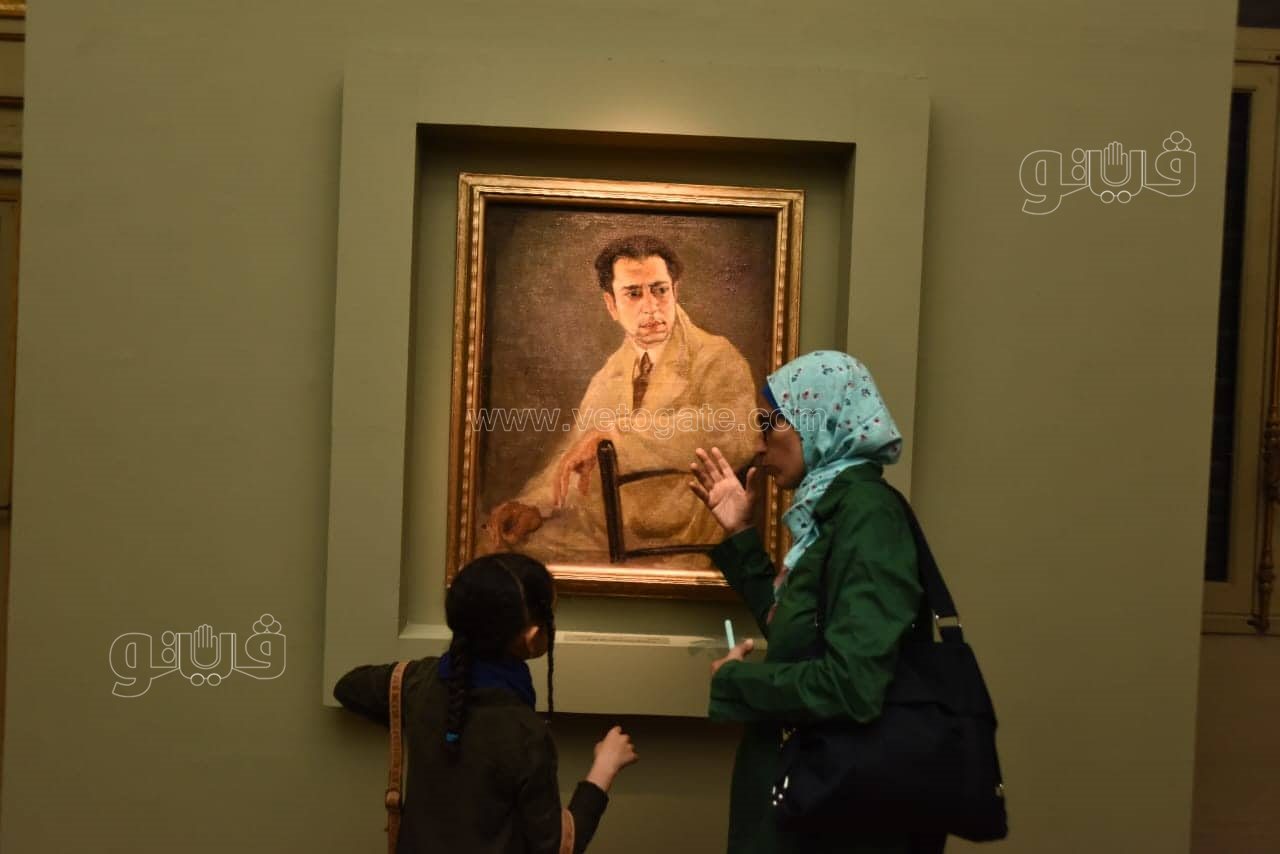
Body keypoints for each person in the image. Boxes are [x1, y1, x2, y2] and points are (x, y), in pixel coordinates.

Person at [688, 351, 945, 854]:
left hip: (836, 814)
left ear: (819, 418)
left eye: (771, 423)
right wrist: (739, 532)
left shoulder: (867, 516)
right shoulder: (832, 509)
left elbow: (853, 686)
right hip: (812, 800)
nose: (759, 443)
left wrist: (736, 682)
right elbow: (802, 631)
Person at [333, 553, 639, 853]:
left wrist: (425, 720)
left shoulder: (416, 682)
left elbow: (347, 687)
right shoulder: (525, 733)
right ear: (532, 637)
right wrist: (605, 766)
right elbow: (555, 845)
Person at [483, 235, 756, 567]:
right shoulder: (610, 374)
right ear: (611, 305)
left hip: (682, 537)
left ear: (675, 291)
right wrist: (534, 506)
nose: (651, 307)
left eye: (660, 290)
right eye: (633, 294)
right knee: (497, 546)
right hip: (608, 530)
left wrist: (619, 436)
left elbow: (737, 434)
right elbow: (573, 454)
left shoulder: (716, 357)